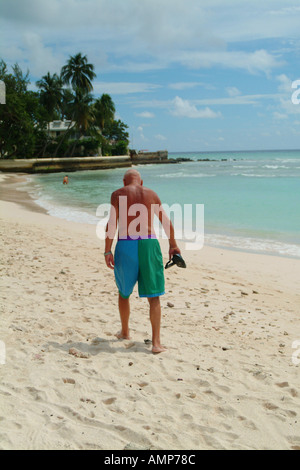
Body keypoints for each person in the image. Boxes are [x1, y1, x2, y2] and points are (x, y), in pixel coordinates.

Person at [104, 169, 181, 354]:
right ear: (141, 181)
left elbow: (111, 224)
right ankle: (156, 343)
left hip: (126, 244)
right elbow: (166, 222)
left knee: (124, 293)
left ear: (124, 182)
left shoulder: (118, 194)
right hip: (148, 244)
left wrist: (107, 250)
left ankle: (125, 331)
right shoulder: (151, 194)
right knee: (154, 296)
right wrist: (173, 245)